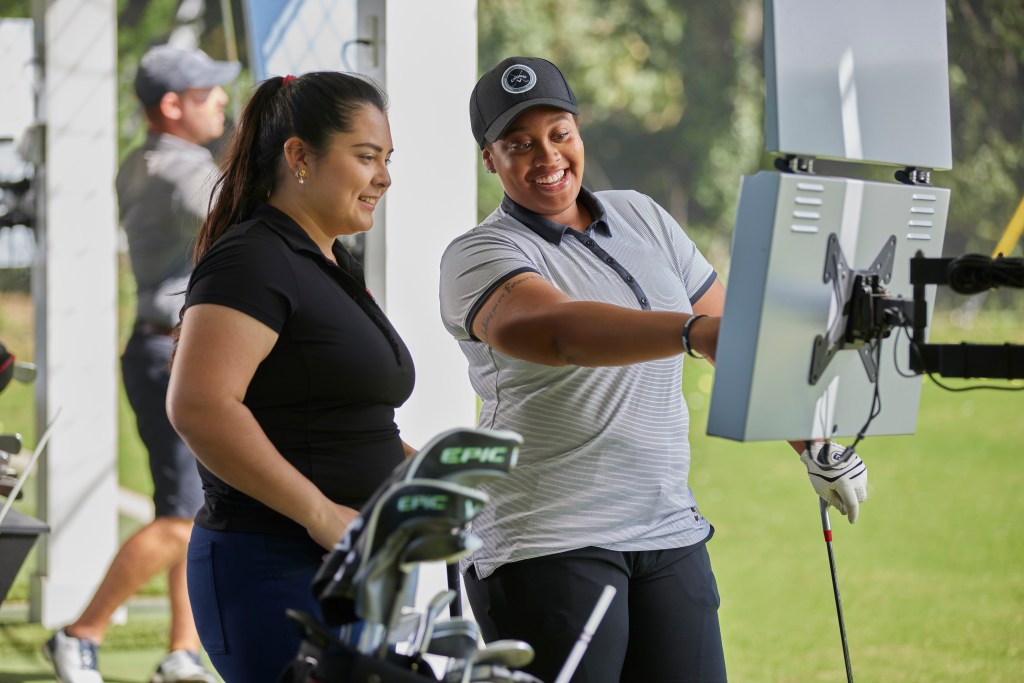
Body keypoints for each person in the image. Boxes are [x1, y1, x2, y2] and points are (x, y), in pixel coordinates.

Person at [439, 56, 870, 683]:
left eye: (560, 133)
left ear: (579, 132)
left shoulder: (641, 215)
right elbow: (555, 331)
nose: (547, 156)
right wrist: (690, 333)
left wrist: (813, 444)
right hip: (545, 538)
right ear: (489, 158)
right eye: (519, 144)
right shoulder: (480, 252)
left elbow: (732, 338)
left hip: (667, 528)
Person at [164, 71, 415, 683]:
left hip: (348, 566)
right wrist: (320, 513)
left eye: (386, 159)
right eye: (366, 157)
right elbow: (200, 406)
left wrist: (432, 471)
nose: (384, 177)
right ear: (299, 156)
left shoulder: (331, 260)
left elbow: (334, 417)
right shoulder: (253, 258)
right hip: (276, 566)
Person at [43, 44, 239, 683]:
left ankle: (182, 652)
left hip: (162, 349)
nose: (222, 100)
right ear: (172, 106)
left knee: (194, 509)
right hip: (174, 356)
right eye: (208, 92)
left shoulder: (143, 160)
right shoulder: (182, 172)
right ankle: (80, 634)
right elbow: (250, 218)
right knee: (182, 518)